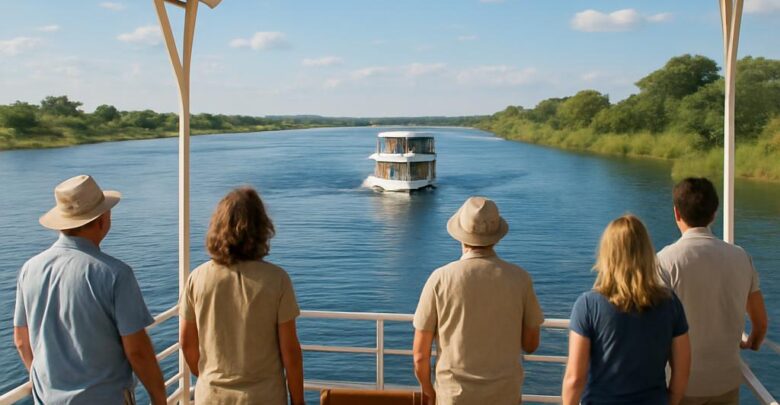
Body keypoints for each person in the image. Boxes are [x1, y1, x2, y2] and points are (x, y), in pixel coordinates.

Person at [13, 175, 166, 404]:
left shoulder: (30, 269)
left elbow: (21, 341)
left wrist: (45, 385)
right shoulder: (116, 274)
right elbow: (137, 351)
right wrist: (159, 398)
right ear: (102, 220)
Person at [413, 196, 544, 405]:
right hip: (505, 395)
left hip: (454, 396)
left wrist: (428, 389)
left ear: (460, 235)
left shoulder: (440, 279)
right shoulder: (520, 278)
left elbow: (420, 355)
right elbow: (531, 344)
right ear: (497, 237)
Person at [180, 187, 304, 405]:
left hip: (212, 397)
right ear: (261, 228)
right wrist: (298, 401)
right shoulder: (277, 280)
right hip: (264, 398)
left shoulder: (197, 279)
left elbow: (187, 343)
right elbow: (290, 353)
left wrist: (208, 378)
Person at [657, 177, 768, 405]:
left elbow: (653, 327)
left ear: (676, 213)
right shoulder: (741, 257)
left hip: (680, 386)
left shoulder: (664, 261)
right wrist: (753, 342)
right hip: (726, 382)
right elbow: (760, 323)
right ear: (714, 214)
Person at [562, 215, 691, 405]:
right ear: (647, 253)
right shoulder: (670, 303)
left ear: (607, 254)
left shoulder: (588, 305)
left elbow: (575, 379)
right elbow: (682, 370)